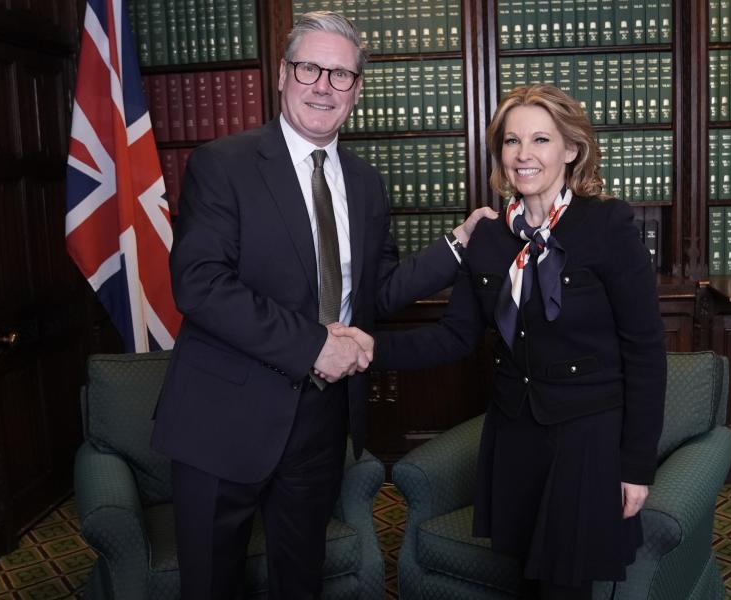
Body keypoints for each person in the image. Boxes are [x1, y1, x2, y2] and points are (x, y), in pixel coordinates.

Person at [150, 11, 495, 600]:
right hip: (221, 417)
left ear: (357, 91)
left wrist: (457, 247)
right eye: (310, 67)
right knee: (210, 585)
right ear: (283, 75)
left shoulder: (365, 183)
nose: (323, 86)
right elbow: (200, 284)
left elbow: (375, 291)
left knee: (300, 579)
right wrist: (315, 345)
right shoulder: (223, 163)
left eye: (341, 75)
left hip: (319, 420)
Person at [356, 84, 667, 599]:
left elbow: (645, 351)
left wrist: (636, 466)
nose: (524, 155)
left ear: (571, 149)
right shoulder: (490, 238)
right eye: (511, 141)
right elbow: (454, 337)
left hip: (585, 436)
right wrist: (365, 349)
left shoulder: (608, 224)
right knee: (526, 578)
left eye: (541, 140)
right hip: (515, 433)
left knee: (564, 588)